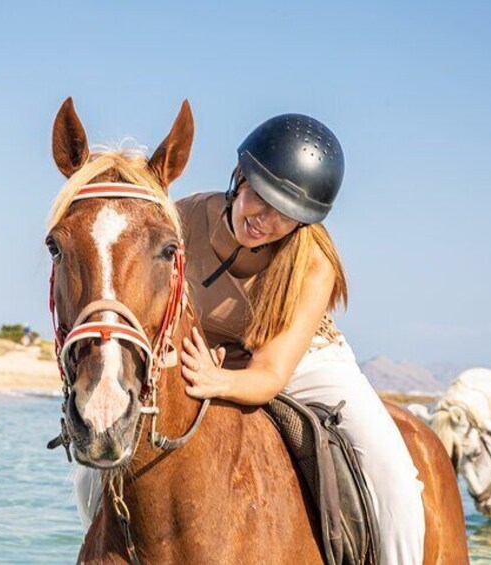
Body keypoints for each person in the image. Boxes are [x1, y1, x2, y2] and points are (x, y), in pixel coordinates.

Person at [176, 114, 425, 564]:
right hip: (208, 354)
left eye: (286, 214)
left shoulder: (314, 260)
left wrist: (219, 381)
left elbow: (270, 373)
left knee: (395, 478)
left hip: (306, 360)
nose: (264, 221)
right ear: (240, 178)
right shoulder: (179, 221)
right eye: (260, 198)